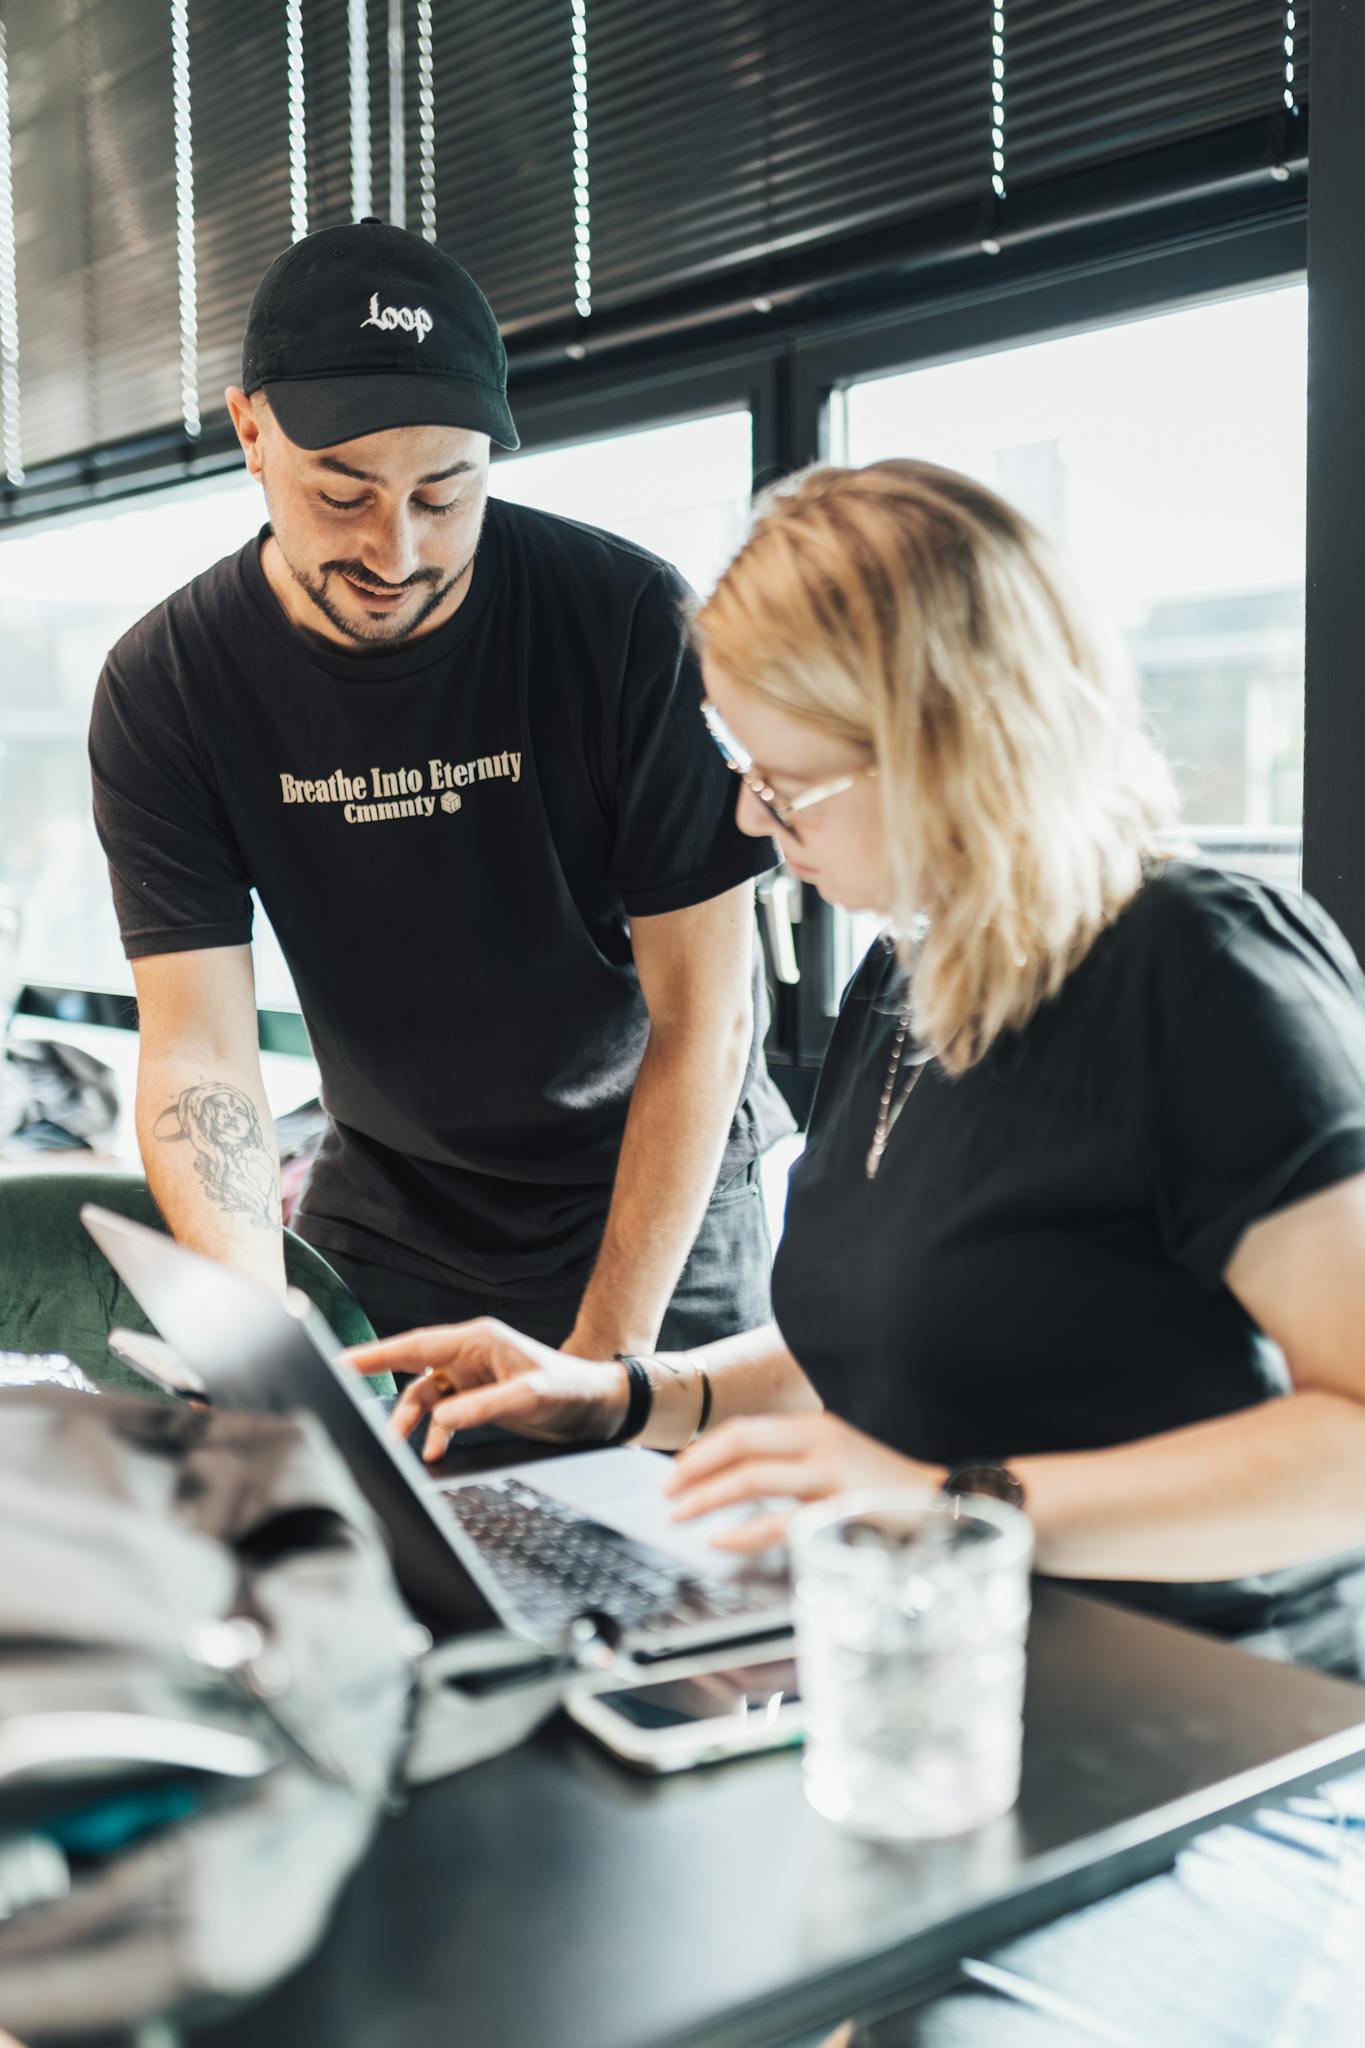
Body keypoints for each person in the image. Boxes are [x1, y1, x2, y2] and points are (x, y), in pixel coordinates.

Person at [357, 459, 1365, 2040]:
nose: (748, 823)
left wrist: (954, 1507)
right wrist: (619, 1395)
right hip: (949, 1682)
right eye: (738, 769)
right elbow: (895, 1335)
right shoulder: (910, 979)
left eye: (789, 784)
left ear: (959, 737)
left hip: (1236, 1751)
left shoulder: (1205, 976)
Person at [89, 217, 791, 1354]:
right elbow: (199, 1049)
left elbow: (705, 1018)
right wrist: (252, 1334)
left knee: (640, 1473)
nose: (396, 554)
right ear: (251, 432)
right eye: (344, 496)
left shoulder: (622, 624)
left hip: (657, 1177)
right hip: (393, 1198)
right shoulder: (167, 684)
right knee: (327, 1448)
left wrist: (602, 1365)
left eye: (444, 496)